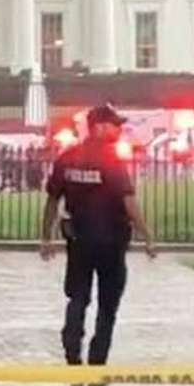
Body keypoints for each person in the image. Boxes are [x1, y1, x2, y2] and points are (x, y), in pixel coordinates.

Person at [41, 104, 157, 366]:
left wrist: (46, 237)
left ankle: (72, 347)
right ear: (99, 127)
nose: (119, 129)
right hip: (112, 242)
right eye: (115, 125)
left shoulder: (67, 158)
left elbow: (52, 200)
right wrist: (148, 236)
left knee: (78, 296)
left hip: (78, 240)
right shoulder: (112, 160)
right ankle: (97, 361)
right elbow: (128, 202)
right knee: (108, 305)